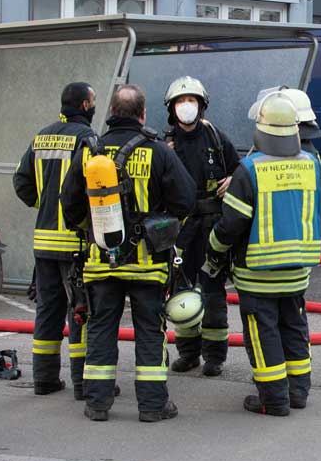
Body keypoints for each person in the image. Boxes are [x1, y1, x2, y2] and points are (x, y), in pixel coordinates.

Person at [60, 84, 195, 423]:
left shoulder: (91, 152)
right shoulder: (157, 151)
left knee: (101, 329)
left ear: (111, 112)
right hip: (147, 264)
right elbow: (185, 199)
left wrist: (93, 232)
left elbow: (69, 203)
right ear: (143, 114)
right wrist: (161, 226)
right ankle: (152, 406)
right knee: (150, 330)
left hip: (99, 261)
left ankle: (97, 404)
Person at [206, 91, 321, 416]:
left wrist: (213, 253)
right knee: (295, 328)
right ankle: (298, 392)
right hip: (299, 271)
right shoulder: (312, 165)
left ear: (261, 129)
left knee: (263, 334)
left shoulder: (249, 171)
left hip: (257, 274)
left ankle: (273, 400)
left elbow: (230, 225)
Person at [13, 82, 97, 398]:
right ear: (85, 106)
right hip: (75, 242)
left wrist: (45, 204)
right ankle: (84, 383)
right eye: (93, 101)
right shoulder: (87, 139)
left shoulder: (41, 136)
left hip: (44, 242)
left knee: (47, 312)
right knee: (81, 312)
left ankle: (45, 380)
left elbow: (21, 182)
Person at [163, 77, 240, 377]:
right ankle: (188, 353)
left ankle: (214, 357)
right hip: (181, 229)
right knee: (181, 291)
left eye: (192, 101)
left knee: (212, 292)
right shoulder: (164, 143)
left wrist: (233, 179)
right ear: (172, 108)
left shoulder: (217, 139)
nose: (186, 107)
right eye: (181, 102)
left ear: (202, 105)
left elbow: (240, 169)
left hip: (211, 226)